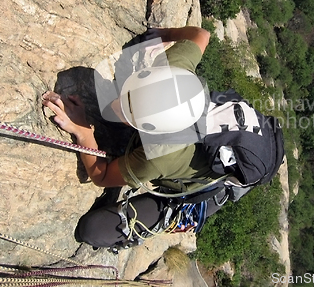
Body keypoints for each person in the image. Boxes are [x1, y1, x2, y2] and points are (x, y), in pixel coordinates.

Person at [42, 26, 226, 249]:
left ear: (154, 130)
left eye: (131, 112)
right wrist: (163, 35)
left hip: (202, 186)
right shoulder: (172, 68)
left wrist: (83, 131)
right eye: (128, 96)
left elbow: (101, 176)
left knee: (92, 229)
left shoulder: (160, 155)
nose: (115, 105)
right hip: (204, 132)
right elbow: (201, 35)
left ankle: (177, 219)